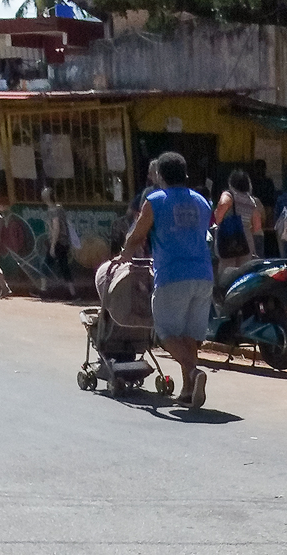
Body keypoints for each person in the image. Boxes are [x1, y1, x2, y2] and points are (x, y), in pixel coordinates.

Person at [114, 152, 212, 408]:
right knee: (189, 335)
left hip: (172, 275)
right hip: (203, 276)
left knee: (166, 333)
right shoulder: (202, 202)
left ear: (159, 176)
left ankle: (193, 372)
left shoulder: (155, 200)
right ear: (185, 175)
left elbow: (137, 235)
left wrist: (123, 256)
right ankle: (188, 391)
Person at [213, 169, 264, 275]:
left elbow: (222, 204)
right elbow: (257, 226)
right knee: (243, 274)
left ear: (231, 182)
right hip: (246, 241)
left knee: (226, 271)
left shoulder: (229, 195)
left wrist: (218, 219)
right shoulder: (251, 201)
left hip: (227, 238)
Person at [42, 187, 77, 298]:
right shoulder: (59, 208)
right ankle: (73, 293)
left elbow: (56, 228)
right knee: (64, 267)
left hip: (57, 242)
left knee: (45, 266)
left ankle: (43, 291)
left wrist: (52, 246)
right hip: (64, 242)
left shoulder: (53, 211)